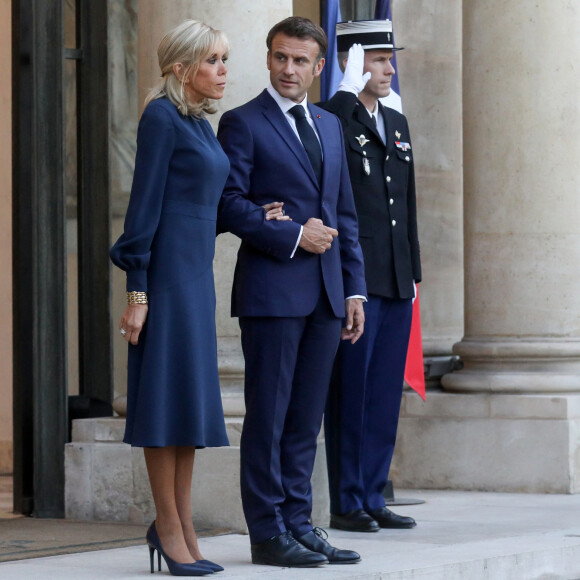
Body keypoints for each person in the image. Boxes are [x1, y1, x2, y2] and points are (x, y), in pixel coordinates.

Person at [108, 19, 258, 577]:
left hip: (195, 278)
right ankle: (168, 528)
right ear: (181, 68)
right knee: (164, 406)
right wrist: (138, 291)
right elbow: (143, 210)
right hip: (165, 280)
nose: (223, 71)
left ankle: (183, 525)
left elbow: (201, 207)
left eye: (224, 59)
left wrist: (254, 217)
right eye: (213, 60)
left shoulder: (197, 124)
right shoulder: (160, 118)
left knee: (189, 411)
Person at [217, 16, 367, 568]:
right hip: (271, 294)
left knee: (306, 419)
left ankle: (301, 523)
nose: (288, 69)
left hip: (328, 296)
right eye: (280, 57)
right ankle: (266, 532)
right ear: (269, 57)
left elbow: (344, 214)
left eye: (300, 60)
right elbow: (227, 203)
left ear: (318, 67)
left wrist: (356, 290)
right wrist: (290, 233)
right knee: (269, 416)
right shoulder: (242, 122)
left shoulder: (329, 125)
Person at [320, 19, 422, 533]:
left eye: (388, 59)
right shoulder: (336, 116)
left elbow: (406, 203)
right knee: (351, 391)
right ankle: (346, 499)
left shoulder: (395, 122)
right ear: (350, 62)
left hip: (396, 278)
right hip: (355, 279)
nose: (388, 69)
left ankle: (373, 490)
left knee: (383, 392)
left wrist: (415, 272)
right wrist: (343, 92)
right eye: (377, 60)